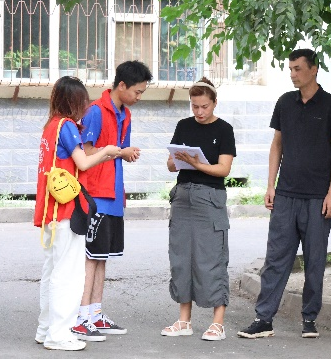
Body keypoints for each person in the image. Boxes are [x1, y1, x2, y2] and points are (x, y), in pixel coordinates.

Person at [238, 49, 331, 340]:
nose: (293, 74)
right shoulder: (285, 102)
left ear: (313, 69)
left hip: (317, 198)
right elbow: (277, 145)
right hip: (285, 195)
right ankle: (263, 319)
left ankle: (309, 319)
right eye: (290, 69)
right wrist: (270, 185)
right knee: (275, 259)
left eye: (298, 68)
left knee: (314, 261)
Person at [35, 76, 124, 352]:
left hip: (50, 210)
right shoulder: (68, 126)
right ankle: (59, 334)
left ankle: (45, 329)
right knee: (69, 274)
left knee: (52, 272)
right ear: (74, 101)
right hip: (67, 211)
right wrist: (108, 151)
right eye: (83, 100)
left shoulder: (50, 126)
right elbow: (83, 162)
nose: (87, 106)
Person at [73, 60, 153, 342]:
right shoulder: (95, 111)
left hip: (114, 194)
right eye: (137, 91)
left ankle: (95, 314)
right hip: (95, 194)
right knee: (89, 257)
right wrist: (120, 152)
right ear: (121, 85)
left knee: (102, 257)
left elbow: (119, 150)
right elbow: (86, 151)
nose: (139, 97)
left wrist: (126, 153)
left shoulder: (125, 114)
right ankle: (80, 317)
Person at [160, 77, 236, 341]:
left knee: (212, 258)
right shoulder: (183, 125)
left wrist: (196, 163)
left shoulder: (224, 129)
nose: (200, 112)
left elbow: (224, 169)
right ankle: (184, 321)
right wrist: (178, 159)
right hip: (183, 196)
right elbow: (170, 165)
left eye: (204, 106)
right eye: (195, 106)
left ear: (214, 103)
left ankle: (218, 323)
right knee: (181, 258)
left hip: (210, 197)